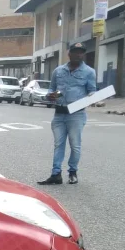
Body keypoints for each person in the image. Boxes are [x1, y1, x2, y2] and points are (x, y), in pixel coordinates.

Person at [38, 42, 97, 185]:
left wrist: (92, 99)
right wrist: (50, 95)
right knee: (59, 144)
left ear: (84, 54)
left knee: (75, 144)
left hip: (76, 114)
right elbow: (51, 89)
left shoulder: (89, 72)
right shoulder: (58, 71)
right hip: (59, 114)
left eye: (81, 52)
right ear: (69, 53)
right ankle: (56, 174)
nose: (78, 54)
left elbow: (92, 91)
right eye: (75, 51)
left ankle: (72, 172)